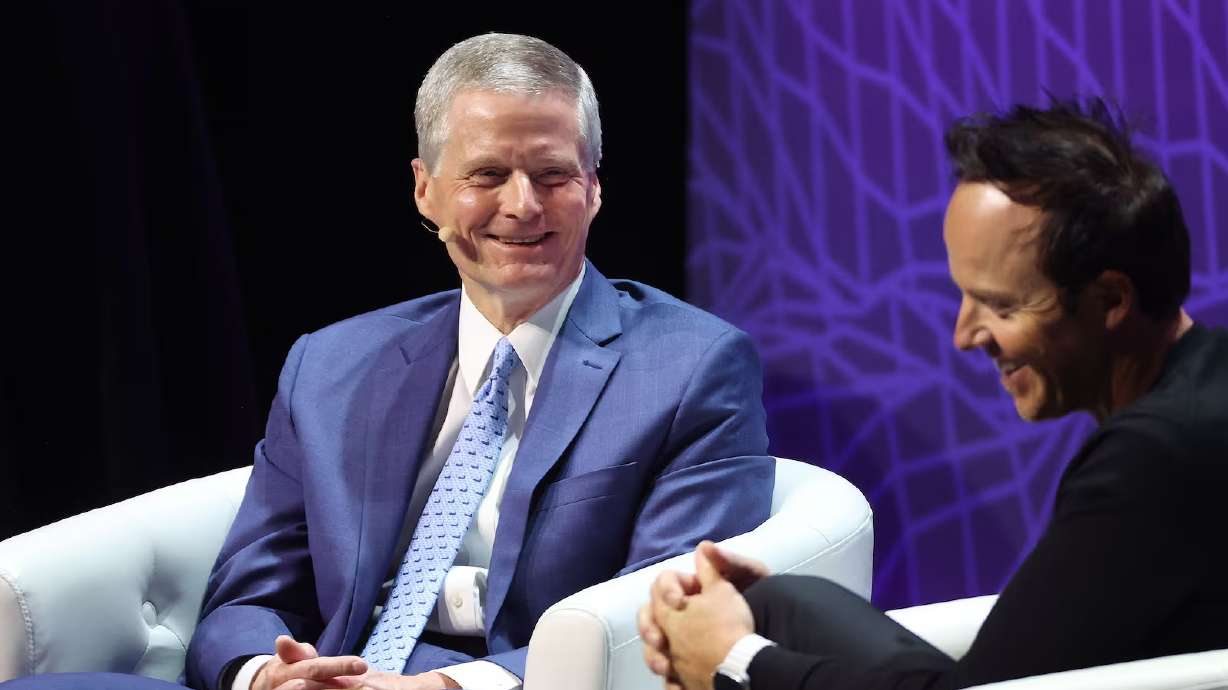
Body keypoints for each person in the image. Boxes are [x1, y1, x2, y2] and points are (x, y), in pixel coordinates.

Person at [2, 33, 773, 690]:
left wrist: (446, 687)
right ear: (424, 190)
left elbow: (663, 620)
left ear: (594, 189)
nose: (522, 205)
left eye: (553, 175)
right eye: (486, 175)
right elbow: (249, 593)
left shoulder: (692, 368)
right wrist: (267, 674)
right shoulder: (332, 365)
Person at [639, 98, 1228, 690]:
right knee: (777, 603)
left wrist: (736, 661)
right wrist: (760, 619)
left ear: (1111, 300)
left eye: (1000, 306)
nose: (964, 336)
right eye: (964, 296)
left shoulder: (1153, 461)